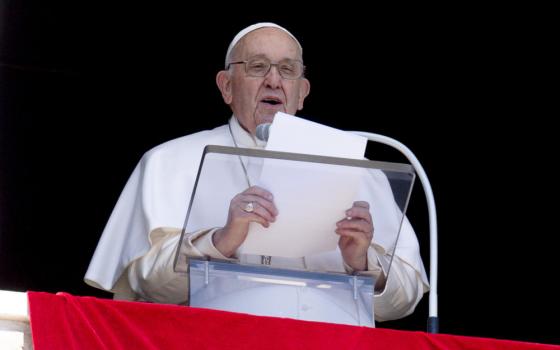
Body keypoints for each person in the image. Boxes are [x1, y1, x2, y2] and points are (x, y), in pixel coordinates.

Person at [85, 22, 429, 325]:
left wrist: (363, 262)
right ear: (227, 86)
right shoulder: (169, 160)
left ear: (302, 92)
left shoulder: (361, 170)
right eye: (257, 66)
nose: (274, 81)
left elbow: (406, 299)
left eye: (287, 69)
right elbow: (147, 285)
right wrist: (220, 242)